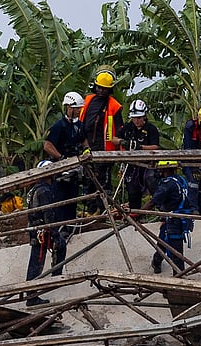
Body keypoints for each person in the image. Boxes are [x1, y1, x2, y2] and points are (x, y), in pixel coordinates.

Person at [80, 67, 125, 205]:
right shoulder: (87, 101)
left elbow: (120, 129)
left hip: (105, 150)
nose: (101, 91)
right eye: (99, 88)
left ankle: (103, 208)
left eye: (104, 89)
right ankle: (90, 209)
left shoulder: (114, 106)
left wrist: (122, 153)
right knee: (88, 180)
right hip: (87, 146)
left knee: (103, 181)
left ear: (109, 89)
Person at [24, 161, 66, 304]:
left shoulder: (37, 188)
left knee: (59, 246)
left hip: (37, 228)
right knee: (37, 262)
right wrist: (54, 233)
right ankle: (31, 296)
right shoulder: (44, 191)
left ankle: (56, 276)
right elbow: (47, 213)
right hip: (41, 231)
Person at [142, 160, 195, 274]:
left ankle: (179, 276)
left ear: (164, 169)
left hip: (174, 220)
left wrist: (137, 213)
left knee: (176, 251)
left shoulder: (167, 184)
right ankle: (156, 261)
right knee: (163, 240)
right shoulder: (181, 179)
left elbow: (153, 202)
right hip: (179, 217)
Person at [42, 91, 86, 225]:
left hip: (74, 167)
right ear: (69, 107)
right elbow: (47, 145)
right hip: (60, 169)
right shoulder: (59, 126)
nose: (79, 111)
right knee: (60, 199)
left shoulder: (79, 126)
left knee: (72, 198)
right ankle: (60, 226)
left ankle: (70, 224)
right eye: (76, 108)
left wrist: (86, 150)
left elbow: (84, 140)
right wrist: (61, 158)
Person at [120, 99, 161, 211]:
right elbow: (114, 139)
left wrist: (140, 147)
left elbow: (155, 146)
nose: (136, 121)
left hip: (147, 165)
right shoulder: (128, 128)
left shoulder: (151, 129)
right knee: (133, 192)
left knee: (152, 183)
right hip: (132, 166)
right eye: (134, 118)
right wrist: (123, 142)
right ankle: (134, 215)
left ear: (144, 116)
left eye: (139, 118)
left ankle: (162, 211)